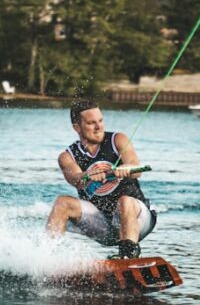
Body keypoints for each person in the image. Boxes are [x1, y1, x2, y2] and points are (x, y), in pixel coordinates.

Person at [46, 100, 156, 259]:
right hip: (102, 225)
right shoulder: (67, 156)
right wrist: (87, 176)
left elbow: (135, 167)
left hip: (137, 220)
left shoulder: (118, 140)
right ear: (77, 127)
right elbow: (75, 178)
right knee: (63, 202)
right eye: (91, 123)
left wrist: (125, 169)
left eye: (100, 121)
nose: (98, 127)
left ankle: (128, 257)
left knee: (124, 201)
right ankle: (46, 258)